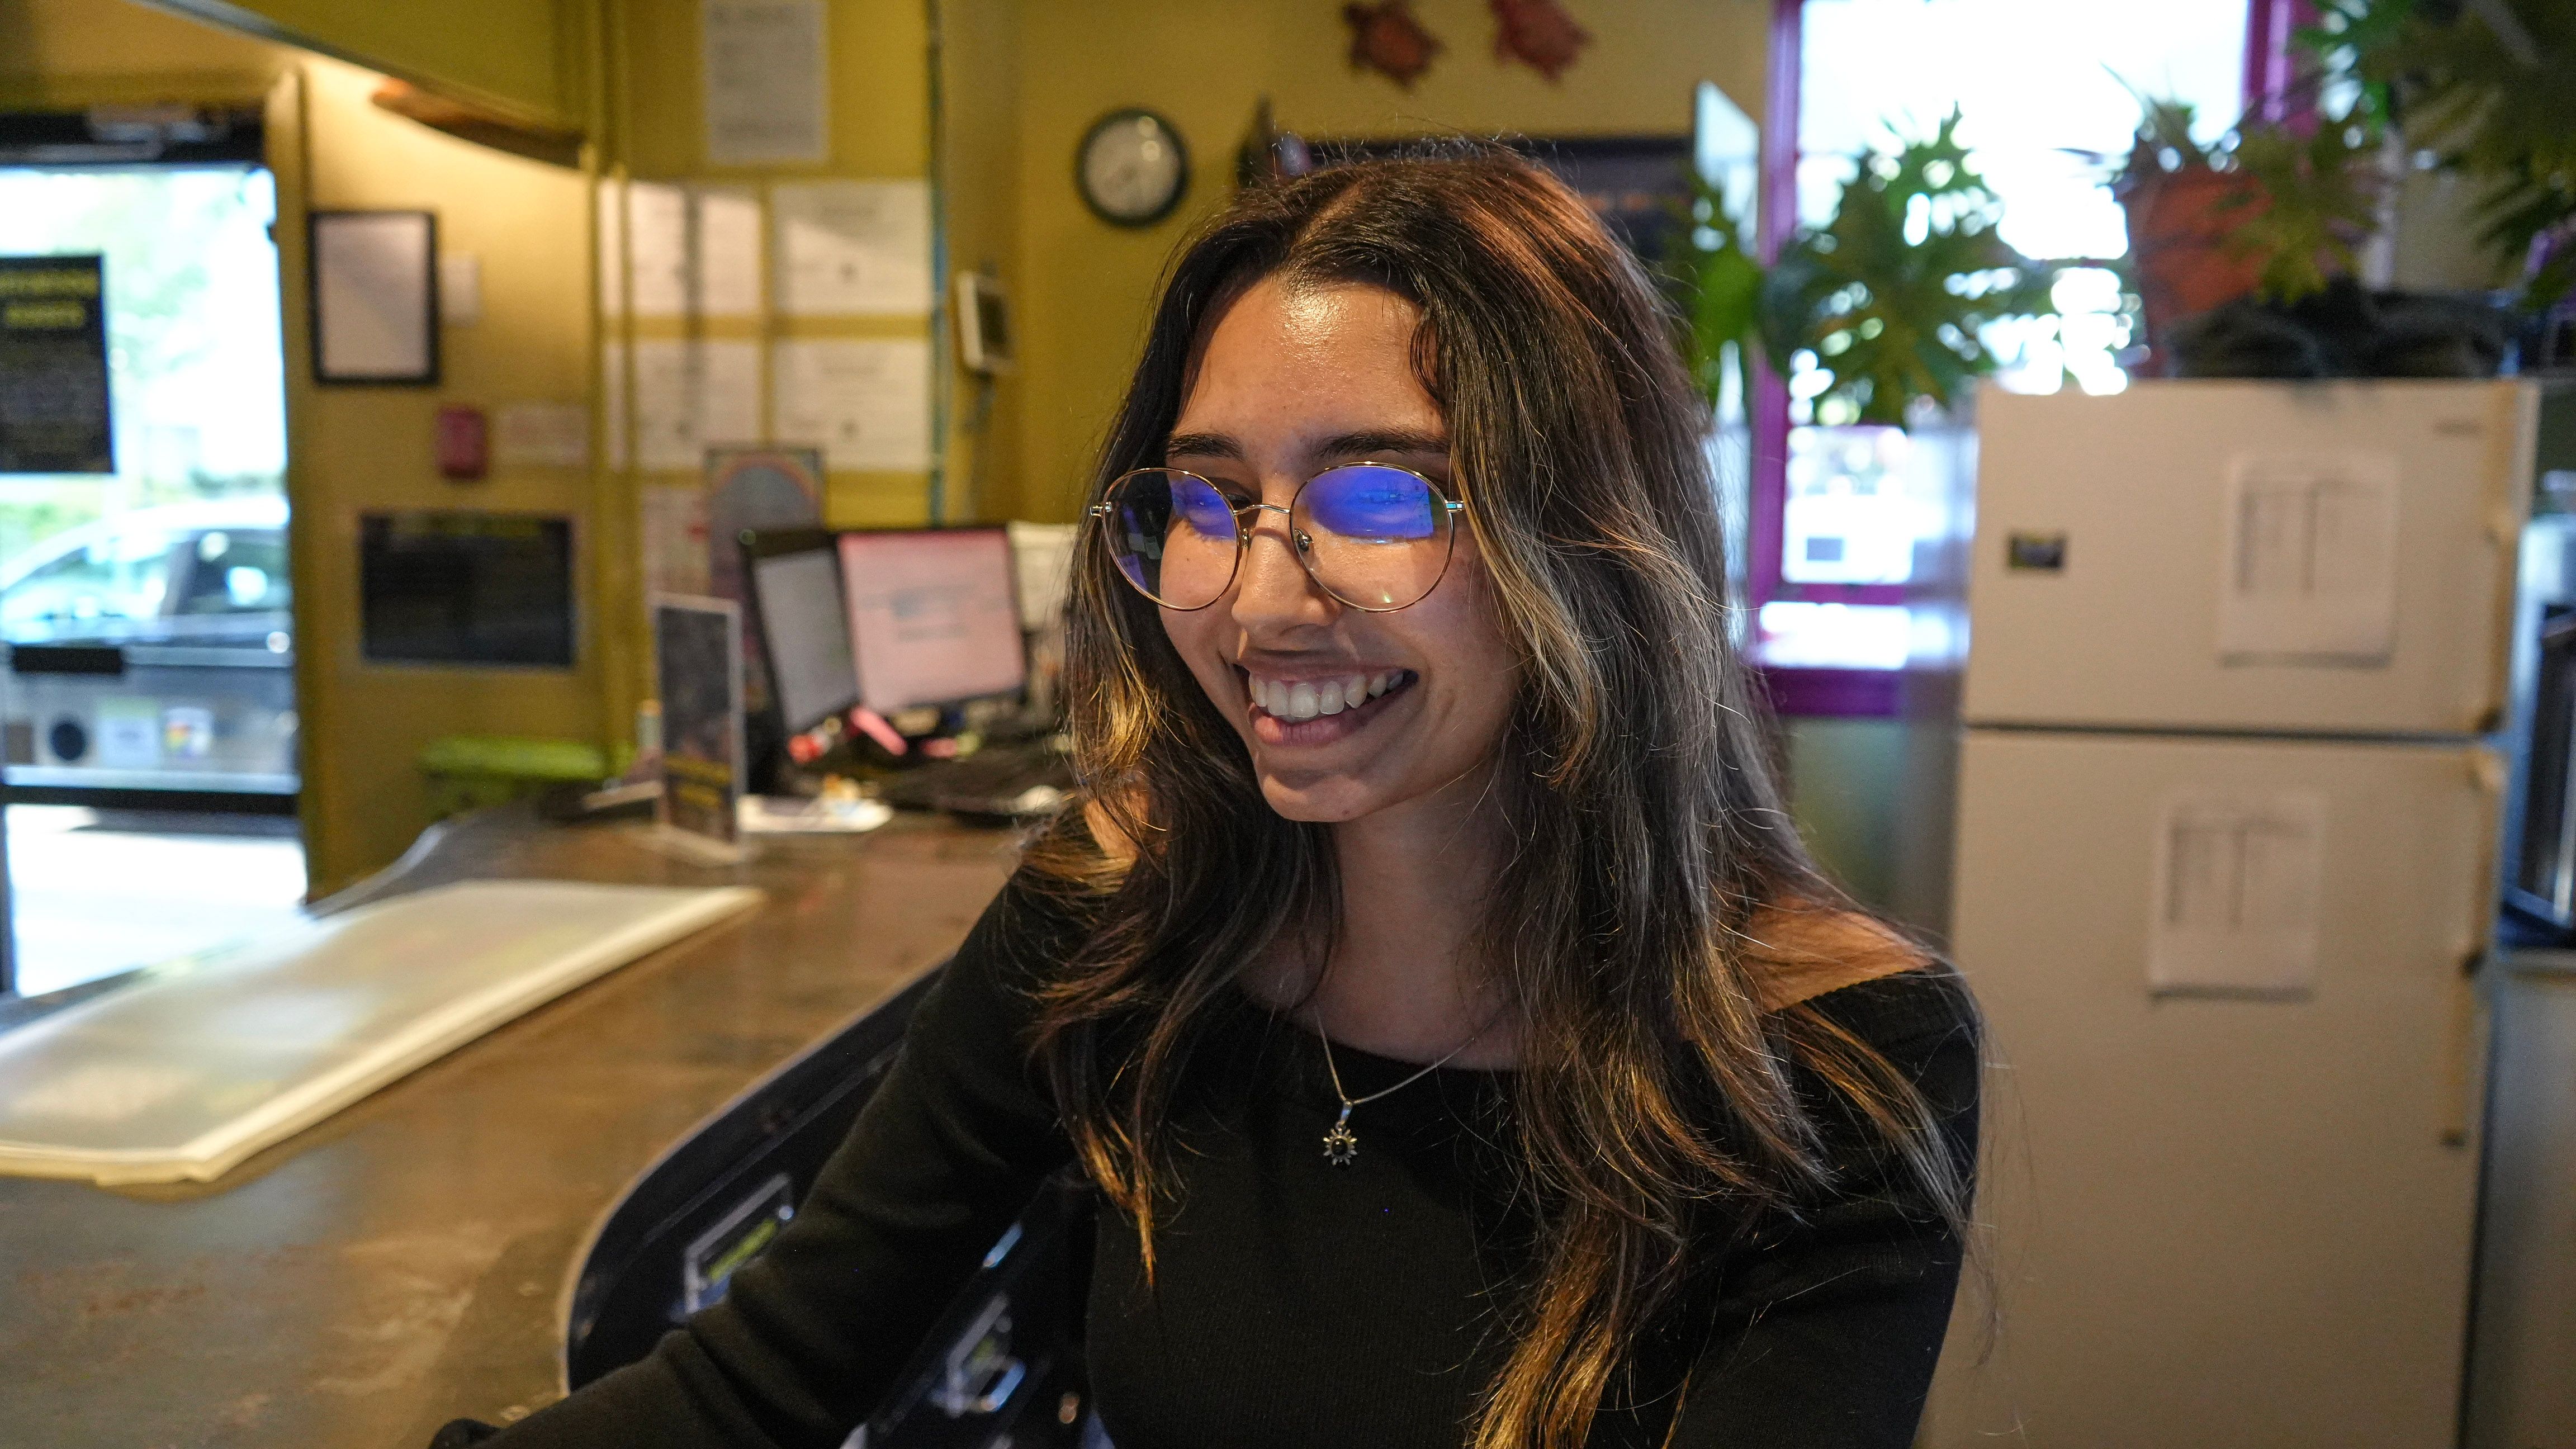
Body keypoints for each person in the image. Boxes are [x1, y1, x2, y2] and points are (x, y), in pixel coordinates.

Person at [442, 148, 1979, 1449]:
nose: (1254, 602)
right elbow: (765, 1377)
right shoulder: (1125, 912)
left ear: (1589, 543)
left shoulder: (1835, 1064)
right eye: (1206, 500)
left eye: (1380, 495)